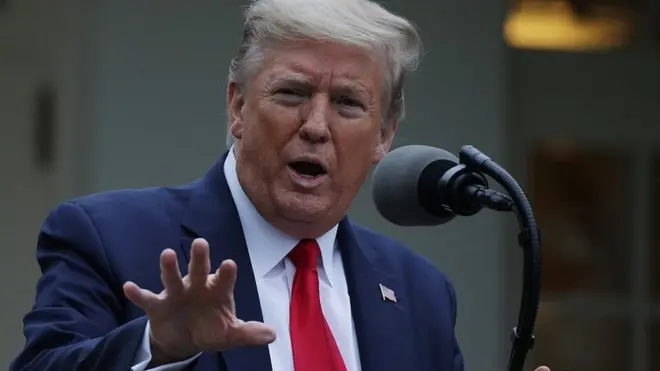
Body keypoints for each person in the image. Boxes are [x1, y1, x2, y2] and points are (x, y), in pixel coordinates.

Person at [11, 0, 551, 370]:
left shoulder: (421, 294)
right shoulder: (109, 237)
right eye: (292, 93)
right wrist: (158, 346)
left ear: (385, 133)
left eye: (347, 103)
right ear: (238, 106)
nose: (316, 126)